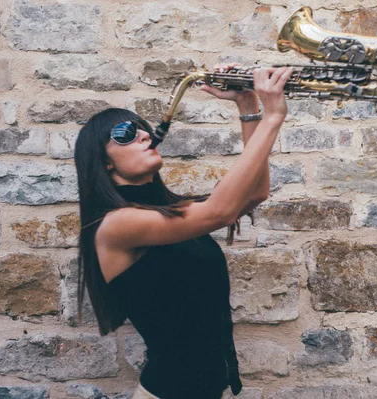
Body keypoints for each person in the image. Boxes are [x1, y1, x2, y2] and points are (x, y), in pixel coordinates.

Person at [73, 64, 293, 399]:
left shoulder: (165, 212)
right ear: (104, 162)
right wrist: (272, 116)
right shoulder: (116, 224)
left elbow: (255, 193)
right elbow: (220, 211)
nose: (144, 135)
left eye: (143, 129)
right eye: (125, 134)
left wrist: (248, 107)